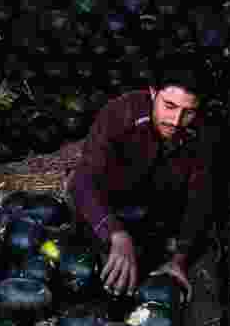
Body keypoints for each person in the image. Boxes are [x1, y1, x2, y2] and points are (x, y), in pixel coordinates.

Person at [68, 67, 219, 303]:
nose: (176, 121)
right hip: (109, 206)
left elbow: (199, 199)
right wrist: (116, 234)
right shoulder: (120, 113)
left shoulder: (202, 133)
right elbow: (82, 181)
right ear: (152, 92)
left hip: (153, 213)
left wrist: (179, 260)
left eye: (188, 112)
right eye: (169, 106)